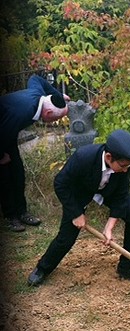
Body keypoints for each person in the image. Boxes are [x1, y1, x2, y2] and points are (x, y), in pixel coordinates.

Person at [27, 130, 130, 286]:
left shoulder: (124, 164)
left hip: (109, 190)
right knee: (67, 237)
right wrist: (76, 213)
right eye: (123, 166)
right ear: (108, 157)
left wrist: (109, 226)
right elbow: (60, 184)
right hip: (80, 191)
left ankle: (128, 266)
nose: (126, 169)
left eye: (128, 166)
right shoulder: (82, 157)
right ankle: (42, 269)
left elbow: (121, 194)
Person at [0, 74, 70, 232]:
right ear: (49, 114)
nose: (54, 123)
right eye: (55, 119)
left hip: (6, 131)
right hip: (3, 132)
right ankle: (11, 216)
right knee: (4, 176)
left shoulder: (39, 95)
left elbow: (34, 78)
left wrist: (57, 94)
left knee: (18, 172)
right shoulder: (22, 112)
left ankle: (22, 212)